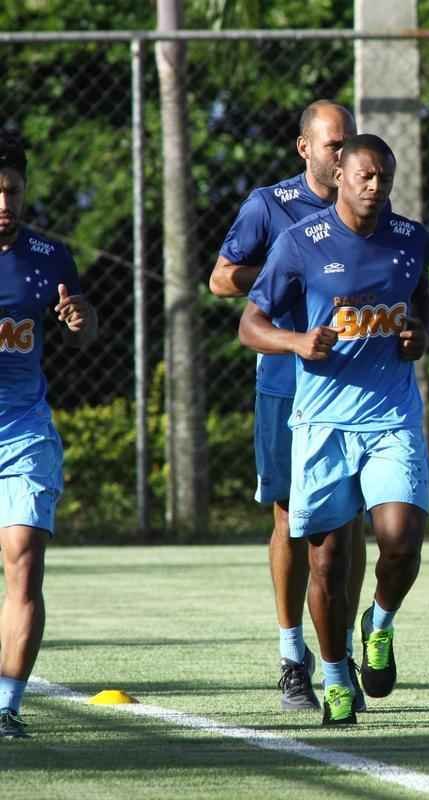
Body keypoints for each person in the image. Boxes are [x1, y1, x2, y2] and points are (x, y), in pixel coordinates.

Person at [239, 133, 429, 726]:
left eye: (384, 178)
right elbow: (252, 324)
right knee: (325, 564)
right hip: (322, 421)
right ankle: (334, 678)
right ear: (341, 177)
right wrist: (297, 341)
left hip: (391, 415)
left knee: (400, 539)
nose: (376, 188)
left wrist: (420, 334)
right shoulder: (302, 243)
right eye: (365, 177)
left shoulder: (410, 239)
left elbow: (421, 302)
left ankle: (378, 624)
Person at [209, 100, 369, 713]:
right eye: (333, 145)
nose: (343, 154)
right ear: (306, 149)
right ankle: (290, 657)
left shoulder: (368, 210)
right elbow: (222, 279)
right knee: (289, 521)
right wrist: (284, 272)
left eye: (349, 143)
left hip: (354, 388)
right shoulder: (270, 205)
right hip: (285, 382)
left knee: (347, 525)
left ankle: (340, 654)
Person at [0, 134, 99, 738]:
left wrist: (81, 321)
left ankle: (7, 706)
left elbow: (84, 332)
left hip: (23, 433)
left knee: (24, 561)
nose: (3, 203)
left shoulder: (48, 257)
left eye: (10, 191)